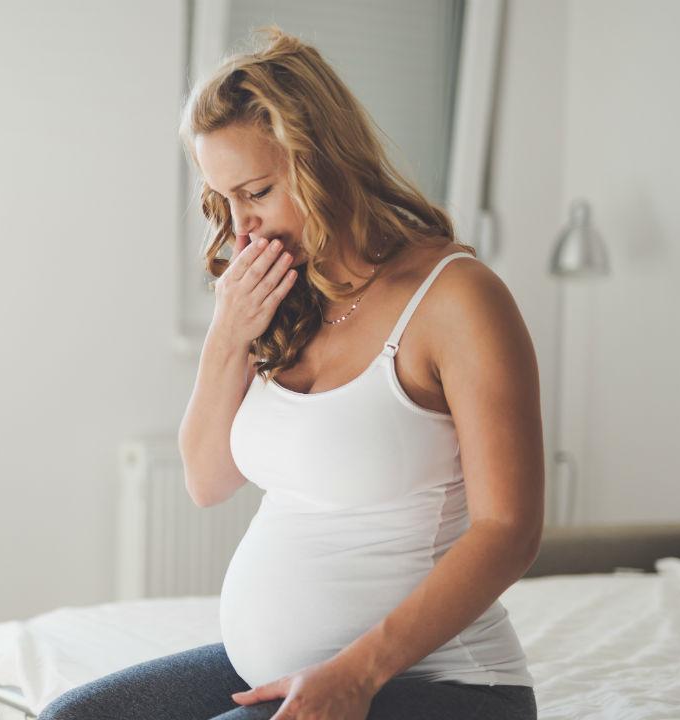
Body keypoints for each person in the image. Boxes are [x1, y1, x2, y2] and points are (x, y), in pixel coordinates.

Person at [39, 25, 543, 720]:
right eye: (224, 202)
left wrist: (356, 674)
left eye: (258, 192)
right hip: (287, 671)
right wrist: (228, 334)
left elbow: (508, 529)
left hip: (438, 685)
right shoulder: (287, 295)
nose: (242, 230)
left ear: (325, 163)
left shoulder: (457, 300)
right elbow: (207, 481)